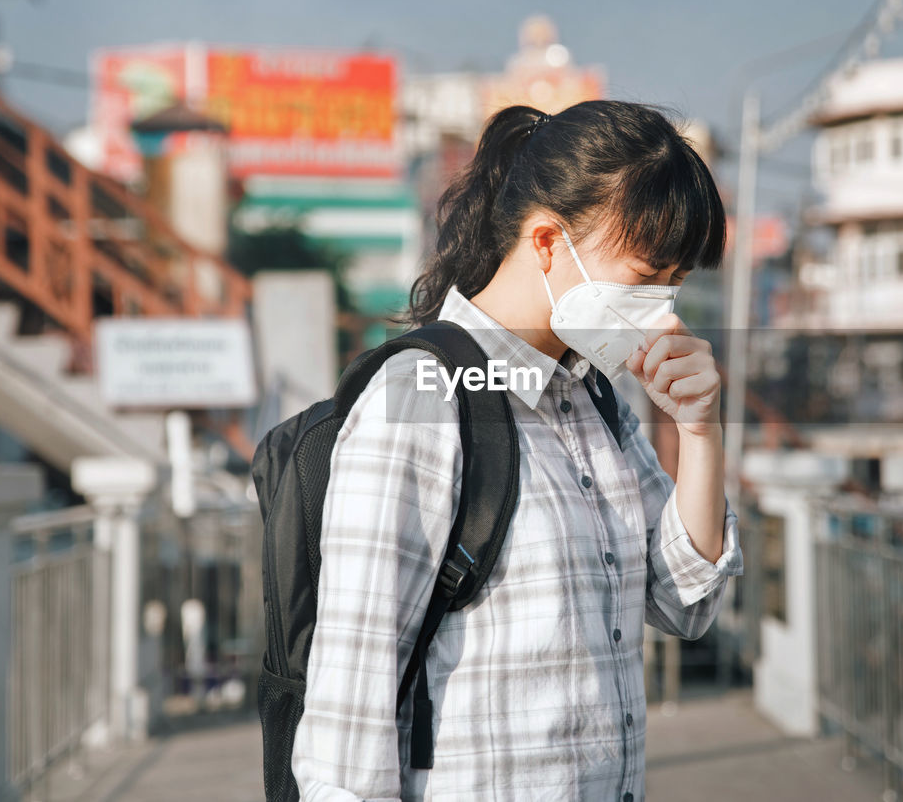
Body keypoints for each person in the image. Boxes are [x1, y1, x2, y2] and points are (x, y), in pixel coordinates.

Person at [291, 100, 744, 801]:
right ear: (545, 244)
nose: (665, 307)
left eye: (676, 281)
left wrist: (701, 429)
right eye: (648, 274)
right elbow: (348, 720)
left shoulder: (594, 397)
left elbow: (684, 601)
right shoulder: (419, 398)